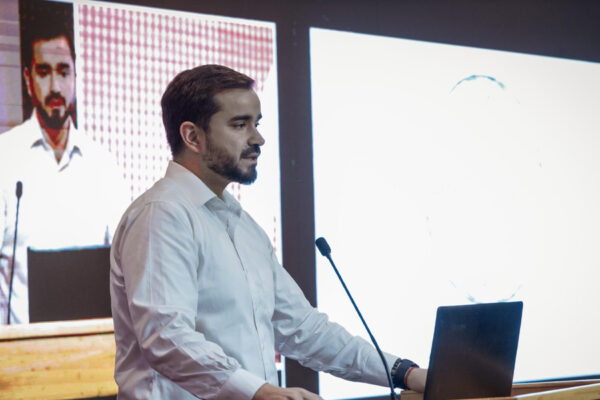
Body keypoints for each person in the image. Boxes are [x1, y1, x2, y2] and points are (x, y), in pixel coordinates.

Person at [109, 64, 427, 399]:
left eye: (256, 124)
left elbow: (304, 330)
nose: (258, 139)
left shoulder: (245, 226)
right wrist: (260, 392)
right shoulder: (161, 214)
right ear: (192, 137)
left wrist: (405, 373)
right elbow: (166, 338)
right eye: (239, 124)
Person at [0, 7, 128, 324]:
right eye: (44, 72)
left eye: (63, 71)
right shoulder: (5, 157)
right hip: (20, 350)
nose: (55, 87)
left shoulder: (103, 164)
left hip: (94, 346)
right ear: (28, 79)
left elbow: (126, 267)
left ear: (75, 76)